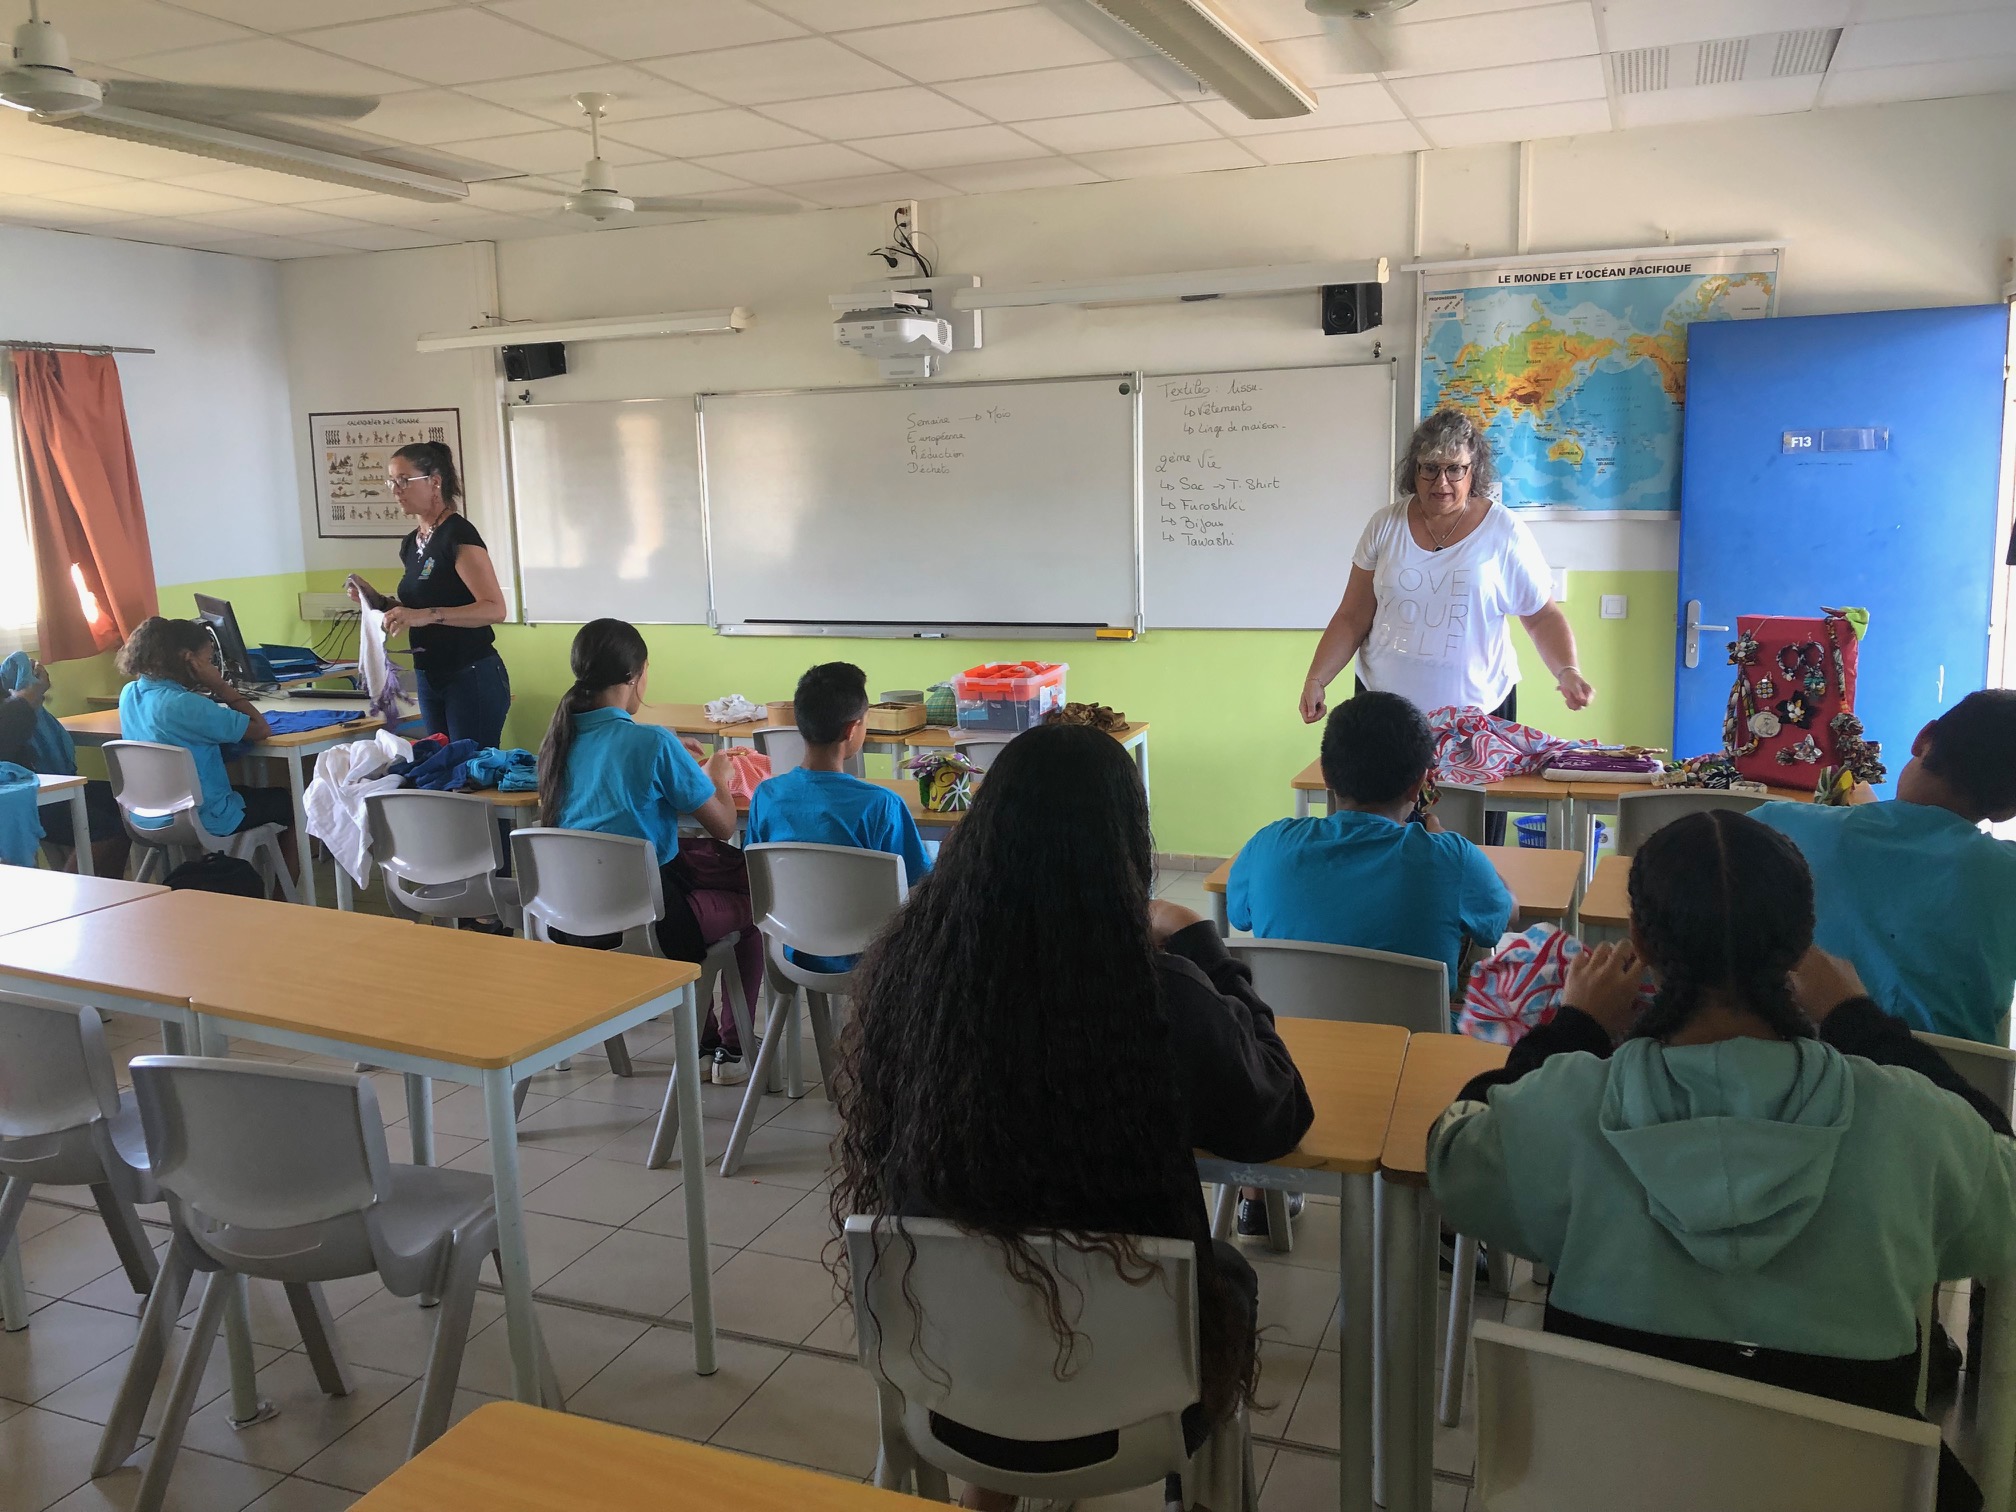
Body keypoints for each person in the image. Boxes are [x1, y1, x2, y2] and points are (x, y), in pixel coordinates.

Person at [1429, 809, 2016, 1511]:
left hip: (1609, 1486)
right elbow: (2003, 1179)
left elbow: (1454, 1154)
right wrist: (1859, 1018)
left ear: (1639, 940)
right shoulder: (1907, 1120)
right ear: (1805, 945)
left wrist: (1575, 1026)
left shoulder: (1569, 1102)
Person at [832, 723, 1312, 1511]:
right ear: (1125, 851)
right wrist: (1205, 947)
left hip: (949, 1382)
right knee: (1221, 1274)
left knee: (992, 1238)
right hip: (1143, 1405)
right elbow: (1277, 1115)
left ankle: (991, 1492)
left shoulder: (910, 979)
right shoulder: (1160, 997)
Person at [538, 618, 763, 1085]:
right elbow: (723, 826)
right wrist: (717, 776)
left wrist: (672, 756)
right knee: (753, 909)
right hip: (653, 926)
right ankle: (731, 1050)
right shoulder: (653, 741)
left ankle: (702, 1043)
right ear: (635, 676)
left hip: (571, 923)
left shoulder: (556, 742)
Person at [1300, 409, 1594, 728]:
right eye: (1430, 468)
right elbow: (1352, 616)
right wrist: (1317, 678)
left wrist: (1567, 671)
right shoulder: (1384, 524)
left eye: (1454, 469)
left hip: (1479, 711)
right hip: (1384, 709)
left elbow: (1541, 616)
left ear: (1472, 471)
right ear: (1414, 470)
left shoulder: (1504, 529)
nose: (1441, 482)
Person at [1755, 689, 2016, 1045]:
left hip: (1794, 1063)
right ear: (2006, 812)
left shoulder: (1772, 828)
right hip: (1948, 1074)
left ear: (1923, 737)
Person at [1230, 690, 1513, 984]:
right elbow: (1501, 918)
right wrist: (1445, 840)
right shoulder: (1453, 858)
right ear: (1418, 784)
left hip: (1285, 1014)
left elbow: (1239, 916)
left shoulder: (1268, 845)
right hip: (1411, 1016)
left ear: (1325, 774)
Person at [744, 661, 932, 972]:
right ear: (851, 729)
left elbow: (757, 874)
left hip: (792, 950)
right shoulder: (882, 805)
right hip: (872, 961)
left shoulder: (766, 796)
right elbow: (919, 883)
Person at [345, 441, 510, 749]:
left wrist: (426, 615)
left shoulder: (458, 534)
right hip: (429, 674)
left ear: (435, 481)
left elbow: (494, 609)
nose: (396, 490)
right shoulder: (412, 543)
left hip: (469, 672)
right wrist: (378, 601)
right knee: (439, 765)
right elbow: (416, 609)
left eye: (404, 480)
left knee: (469, 768)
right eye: (392, 482)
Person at [114, 617, 298, 886]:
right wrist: (220, 686)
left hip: (146, 816)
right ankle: (284, 899)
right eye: (209, 661)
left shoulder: (129, 694)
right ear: (190, 661)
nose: (213, 667)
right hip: (206, 818)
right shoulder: (185, 705)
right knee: (296, 804)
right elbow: (260, 728)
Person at [0, 652, 128, 877]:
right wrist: (28, 697)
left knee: (124, 802)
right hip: (20, 794)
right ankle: (80, 890)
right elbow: (8, 731)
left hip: (36, 783)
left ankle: (108, 886)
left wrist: (30, 692)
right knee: (106, 828)